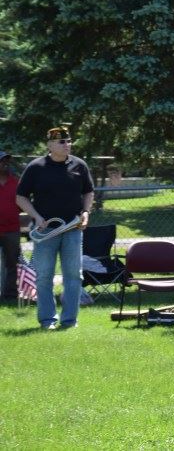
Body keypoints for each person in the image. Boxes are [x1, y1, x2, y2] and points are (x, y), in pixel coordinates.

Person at [15, 127, 94, 329]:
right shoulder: (36, 167)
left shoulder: (79, 165)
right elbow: (20, 197)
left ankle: (70, 320)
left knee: (74, 276)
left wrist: (86, 212)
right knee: (44, 276)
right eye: (62, 142)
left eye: (69, 141)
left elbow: (88, 192)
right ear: (50, 145)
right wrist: (36, 216)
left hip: (73, 230)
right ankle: (48, 320)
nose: (67, 145)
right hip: (45, 231)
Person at [0, 151, 20, 301]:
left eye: (7, 161)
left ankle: (10, 295)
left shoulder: (16, 183)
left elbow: (22, 204)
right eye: (2, 161)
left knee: (12, 263)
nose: (5, 164)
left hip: (12, 230)